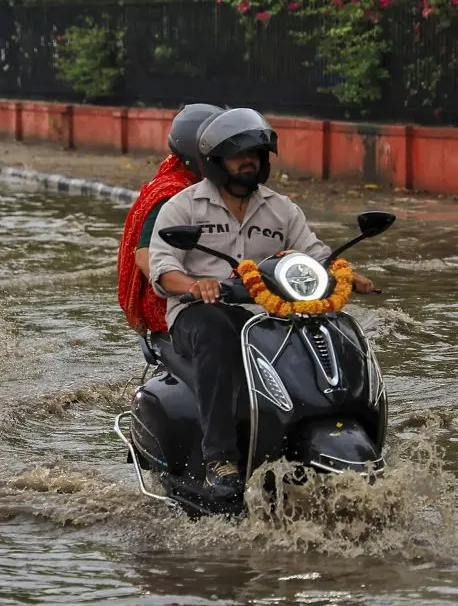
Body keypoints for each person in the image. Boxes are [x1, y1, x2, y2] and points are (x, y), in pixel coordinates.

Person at [148, 108, 377, 502]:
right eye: (240, 156)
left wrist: (344, 273)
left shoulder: (280, 208)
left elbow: (314, 252)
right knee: (215, 331)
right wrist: (196, 285)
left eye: (256, 155)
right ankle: (220, 458)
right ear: (216, 161)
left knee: (331, 325)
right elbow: (163, 269)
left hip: (270, 314)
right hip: (198, 314)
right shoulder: (184, 207)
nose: (249, 163)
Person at [117, 104, 223, 335]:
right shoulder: (174, 195)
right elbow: (145, 257)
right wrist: (191, 287)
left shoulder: (224, 191)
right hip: (177, 299)